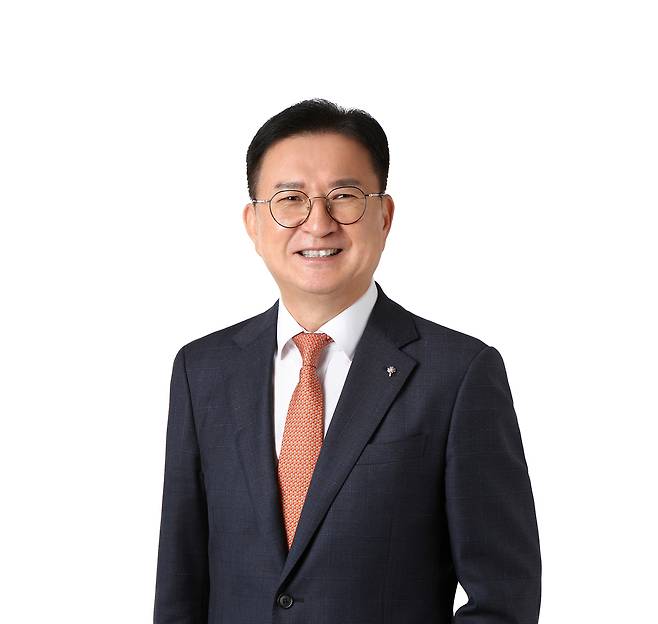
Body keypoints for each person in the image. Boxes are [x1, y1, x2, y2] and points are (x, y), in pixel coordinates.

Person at [153, 98, 542, 623]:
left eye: (344, 197)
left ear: (384, 216)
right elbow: (180, 586)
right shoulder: (202, 370)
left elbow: (504, 601)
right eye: (290, 199)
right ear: (253, 223)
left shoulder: (458, 374)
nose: (318, 223)